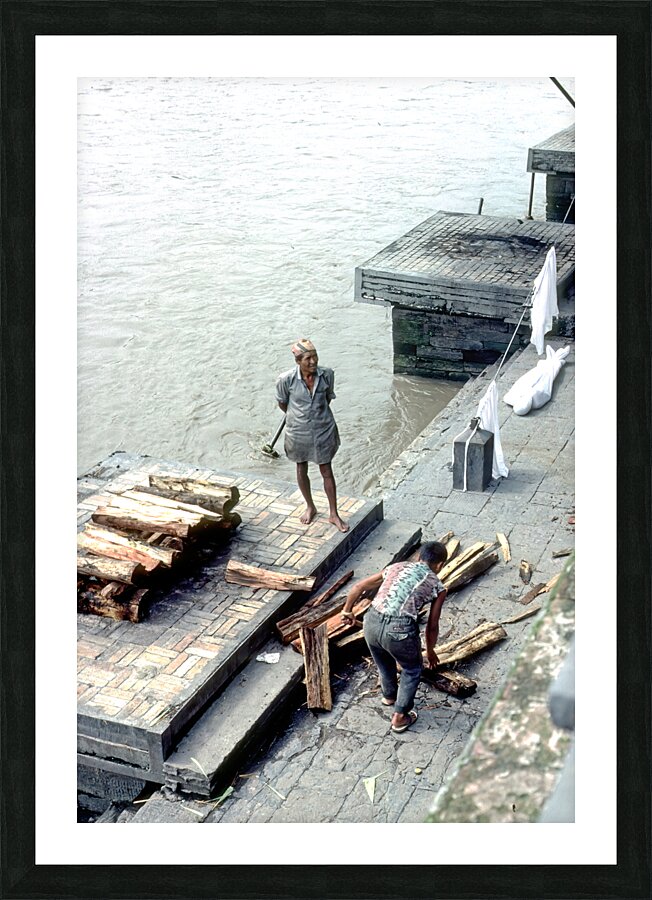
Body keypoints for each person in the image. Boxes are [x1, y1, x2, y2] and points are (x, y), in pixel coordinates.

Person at [340, 541, 448, 733]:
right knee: (412, 669)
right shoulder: (438, 586)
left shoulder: (397, 566)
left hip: (371, 620)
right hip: (400, 629)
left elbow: (358, 587)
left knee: (383, 660)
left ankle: (389, 696)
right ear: (439, 565)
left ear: (418, 557)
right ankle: (400, 717)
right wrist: (430, 652)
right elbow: (432, 626)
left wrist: (347, 611)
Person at [275, 338, 349, 533]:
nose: (313, 362)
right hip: (298, 431)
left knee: (326, 469)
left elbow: (327, 399)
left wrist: (316, 416)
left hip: (323, 428)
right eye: (308, 358)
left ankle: (333, 513)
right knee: (301, 467)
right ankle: (310, 506)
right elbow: (283, 404)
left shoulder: (327, 375)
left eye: (315, 357)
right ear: (298, 361)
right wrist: (300, 417)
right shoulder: (285, 380)